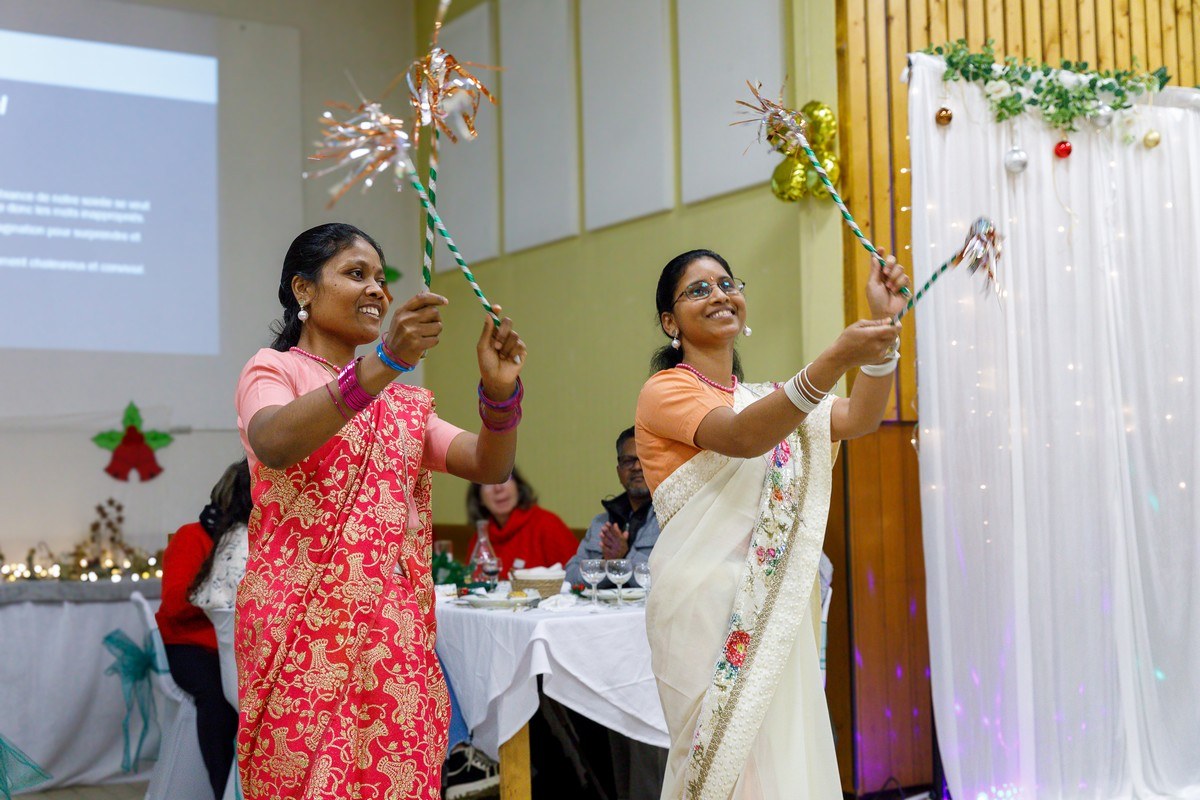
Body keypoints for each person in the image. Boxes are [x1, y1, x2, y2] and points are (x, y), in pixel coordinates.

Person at [234, 222, 526, 799]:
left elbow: (488, 464)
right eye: (355, 273)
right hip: (299, 629)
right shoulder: (273, 370)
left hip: (392, 633)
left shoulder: (402, 404)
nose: (376, 289)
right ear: (303, 290)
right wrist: (385, 361)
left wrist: (499, 395)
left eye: (380, 278)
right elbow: (273, 442)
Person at [635, 248, 909, 798]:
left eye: (726, 283)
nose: (719, 295)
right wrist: (834, 359)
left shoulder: (767, 400)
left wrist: (882, 332)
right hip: (702, 609)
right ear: (670, 322)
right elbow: (743, 437)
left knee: (781, 767)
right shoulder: (665, 391)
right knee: (722, 772)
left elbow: (860, 418)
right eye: (698, 290)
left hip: (776, 608)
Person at [156, 459, 252, 800]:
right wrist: (219, 584)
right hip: (191, 646)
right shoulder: (192, 536)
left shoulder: (253, 541)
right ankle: (223, 787)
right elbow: (173, 606)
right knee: (218, 700)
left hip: (238, 647)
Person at [565, 426, 660, 590]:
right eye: (628, 461)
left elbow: (668, 581)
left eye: (644, 459)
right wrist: (606, 563)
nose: (637, 467)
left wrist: (625, 557)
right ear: (619, 472)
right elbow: (571, 577)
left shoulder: (671, 519)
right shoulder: (600, 523)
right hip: (601, 606)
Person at [465, 467, 577, 577]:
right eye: (488, 483)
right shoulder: (481, 538)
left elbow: (575, 576)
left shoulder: (548, 524)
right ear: (479, 498)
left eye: (505, 478)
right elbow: (471, 582)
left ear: (518, 486)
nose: (498, 488)